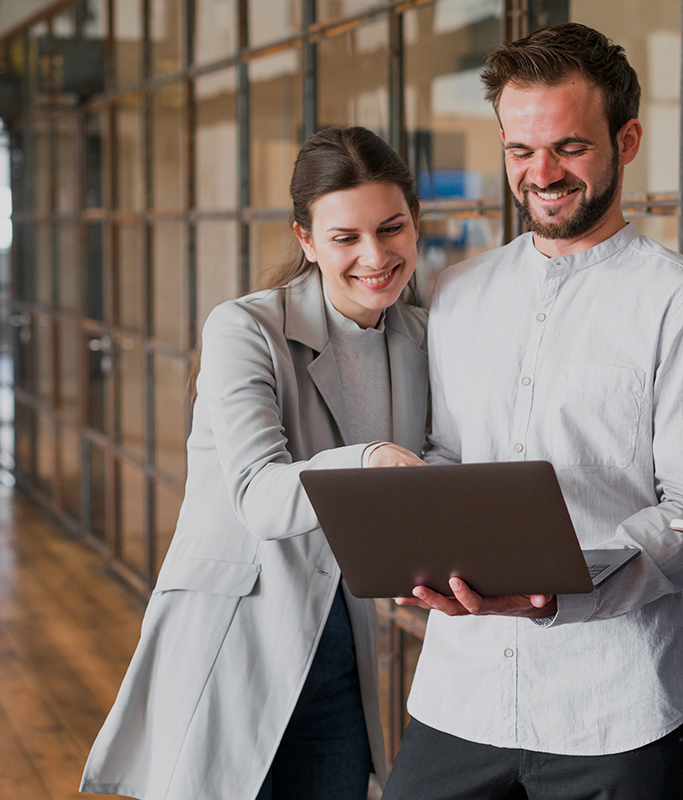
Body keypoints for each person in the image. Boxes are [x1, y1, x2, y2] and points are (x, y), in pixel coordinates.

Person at [381, 22, 683, 800]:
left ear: (628, 139)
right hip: (461, 693)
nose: (540, 173)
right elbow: (450, 454)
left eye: (570, 148)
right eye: (520, 150)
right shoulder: (455, 294)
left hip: (615, 711)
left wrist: (569, 590)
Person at [81, 126, 429, 800]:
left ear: (417, 223)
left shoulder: (420, 339)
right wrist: (369, 462)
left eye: (392, 229)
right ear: (305, 239)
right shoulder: (244, 329)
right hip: (233, 640)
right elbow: (258, 495)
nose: (376, 256)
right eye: (345, 238)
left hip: (348, 659)